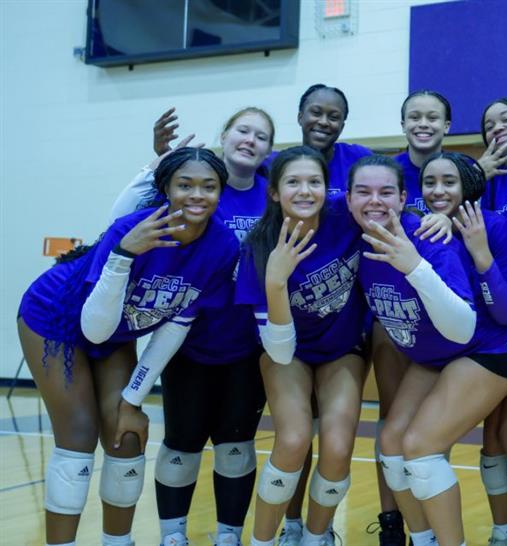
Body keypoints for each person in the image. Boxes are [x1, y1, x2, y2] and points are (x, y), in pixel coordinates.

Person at [18, 147, 238, 546]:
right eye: (184, 185)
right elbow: (95, 329)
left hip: (118, 332)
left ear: (221, 192)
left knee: (127, 435)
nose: (197, 195)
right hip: (56, 319)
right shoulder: (131, 230)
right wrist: (124, 255)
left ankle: (118, 541)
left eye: (209, 186)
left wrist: (133, 399)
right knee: (79, 437)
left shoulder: (222, 247)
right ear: (166, 189)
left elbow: (175, 328)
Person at [347, 155, 507, 546]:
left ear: (402, 197)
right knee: (391, 448)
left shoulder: (430, 237)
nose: (373, 201)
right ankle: (425, 539)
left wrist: (415, 265)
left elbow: (474, 322)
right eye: (362, 192)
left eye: (385, 192)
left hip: (485, 348)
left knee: (421, 449)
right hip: (436, 355)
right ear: (347, 200)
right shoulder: (355, 237)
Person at [119, 106, 276, 546]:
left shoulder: (274, 194)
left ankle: (228, 535)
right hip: (185, 340)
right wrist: (158, 163)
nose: (250, 139)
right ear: (222, 136)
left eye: (261, 135)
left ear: (269, 149)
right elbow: (122, 216)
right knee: (182, 442)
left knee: (235, 445)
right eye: (242, 130)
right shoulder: (193, 181)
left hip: (247, 346)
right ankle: (173, 535)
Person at [421, 152, 507, 546]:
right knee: (492, 441)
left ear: (468, 184)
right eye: (429, 182)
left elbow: (505, 312)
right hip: (478, 349)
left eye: (448, 181)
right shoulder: (424, 231)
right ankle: (504, 532)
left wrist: (480, 253)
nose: (438, 191)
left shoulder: (495, 228)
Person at [235, 147, 369, 546]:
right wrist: (276, 283)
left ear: (329, 189)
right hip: (285, 352)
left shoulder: (347, 217)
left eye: (315, 182)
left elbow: (393, 211)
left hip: (342, 349)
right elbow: (277, 350)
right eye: (293, 182)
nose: (305, 190)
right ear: (275, 192)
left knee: (339, 445)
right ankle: (261, 540)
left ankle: (317, 535)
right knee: (292, 440)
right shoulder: (257, 246)